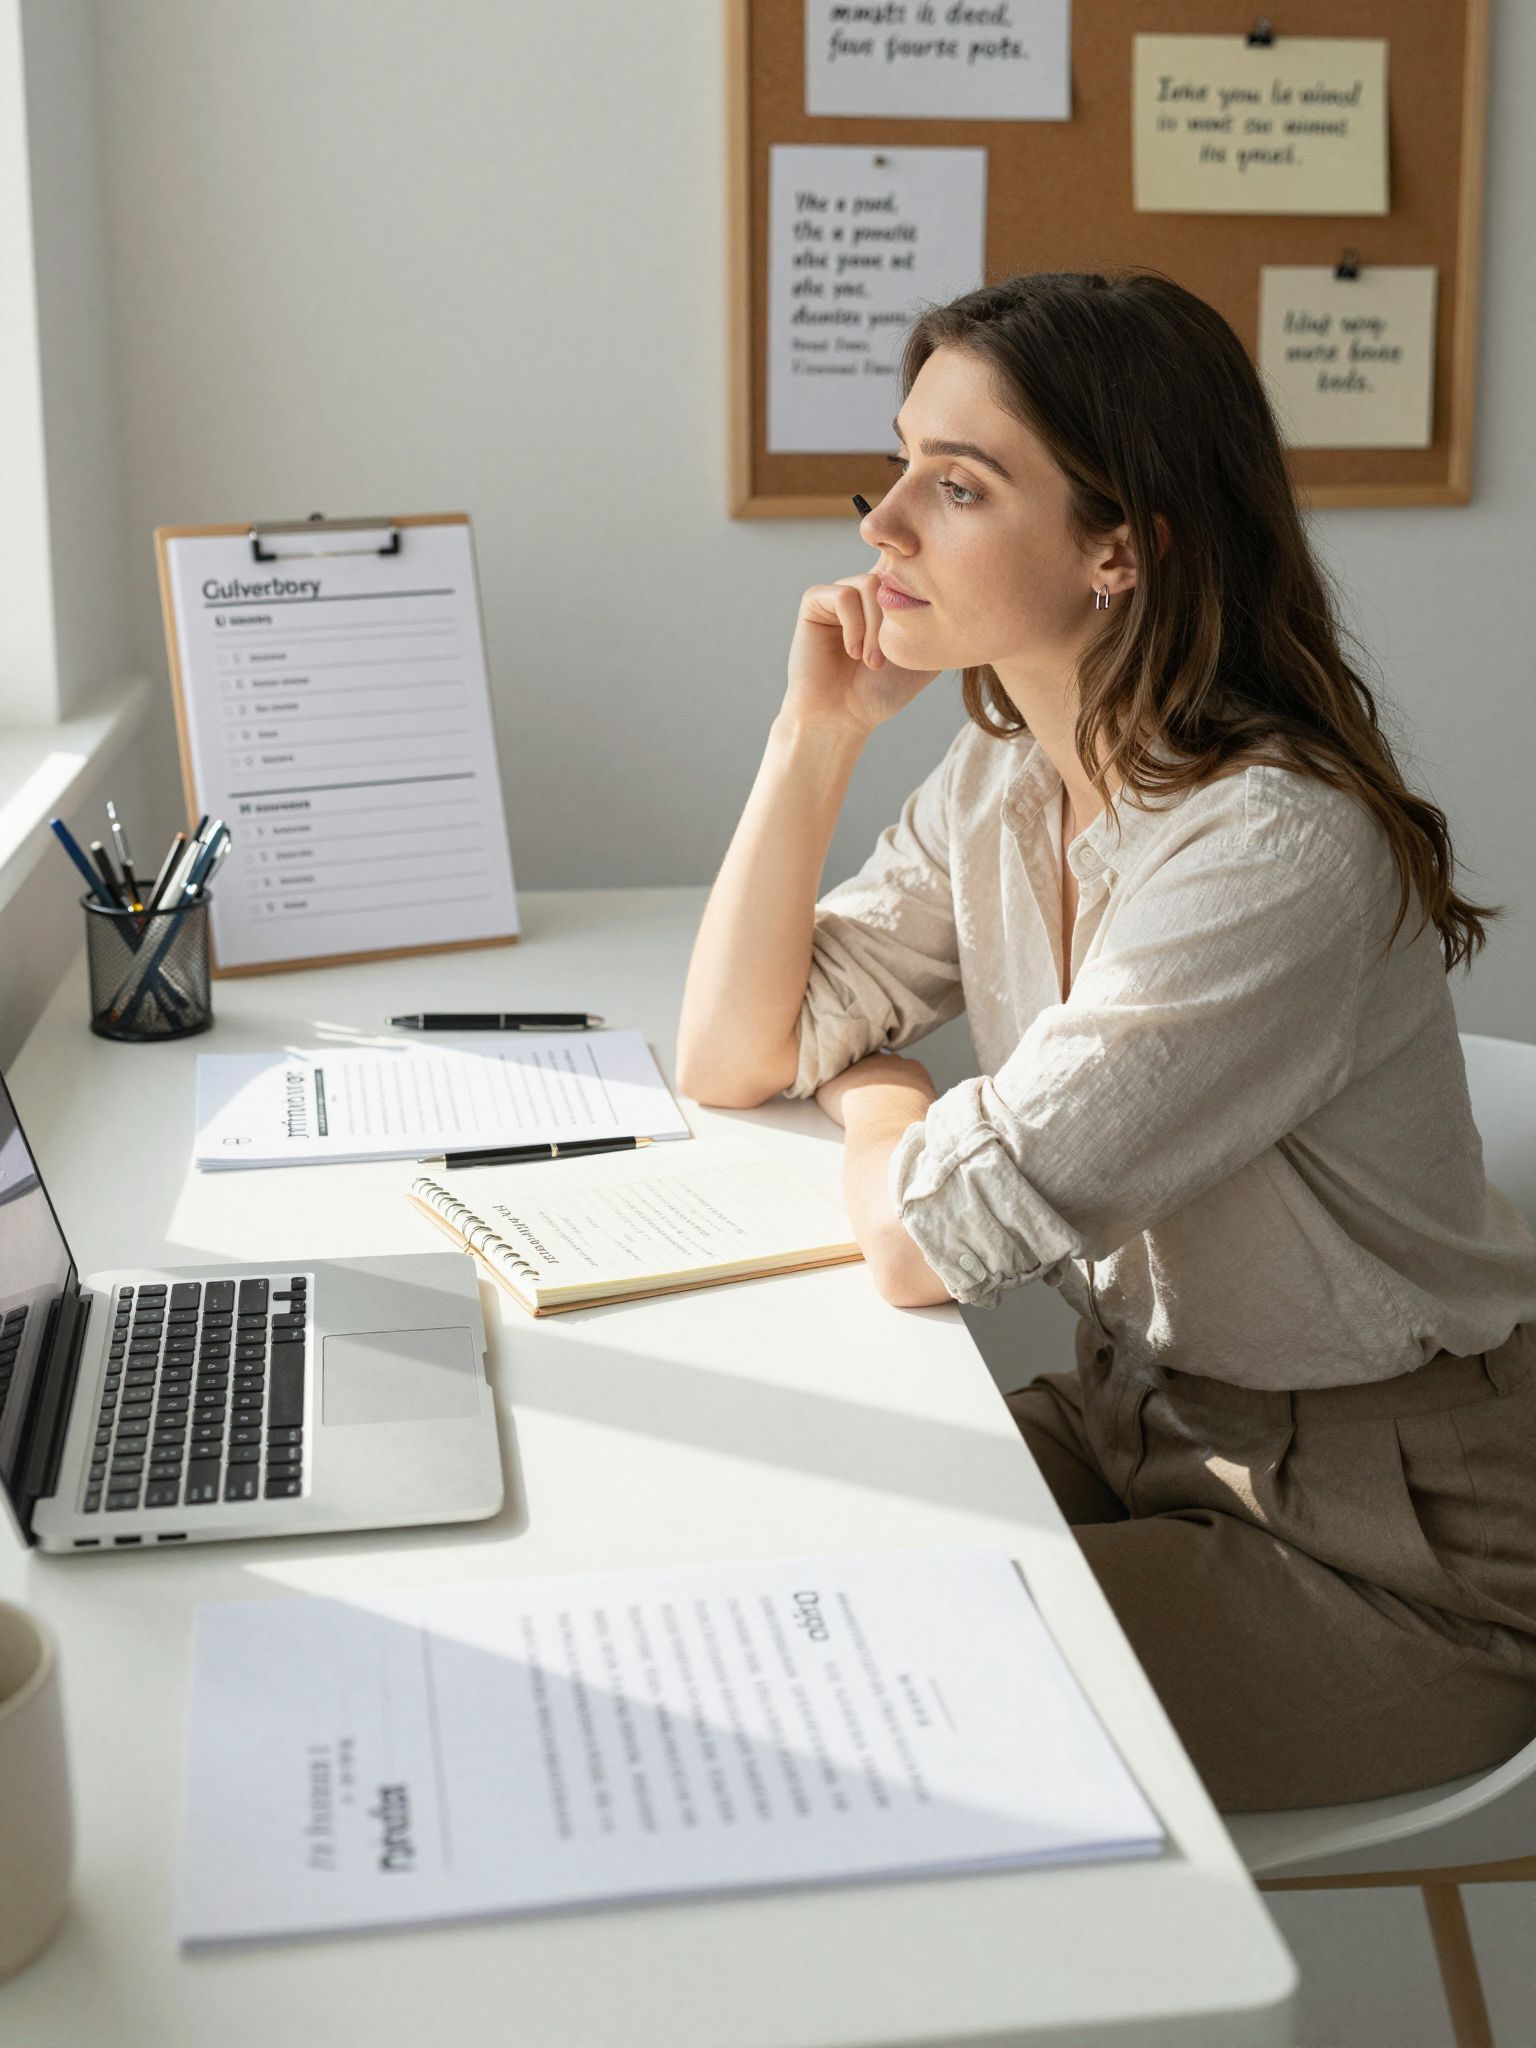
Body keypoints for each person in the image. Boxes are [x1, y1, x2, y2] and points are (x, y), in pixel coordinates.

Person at [676, 270, 1536, 1813]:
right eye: (899, 467)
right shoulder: (1007, 775)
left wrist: (888, 1108)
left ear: (1118, 545)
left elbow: (923, 1240)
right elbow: (735, 1051)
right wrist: (817, 733)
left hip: (1403, 1541)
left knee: (851, 1708)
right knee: (754, 1553)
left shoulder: (1275, 853)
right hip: (1145, 1420)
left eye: (958, 485)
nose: (883, 527)